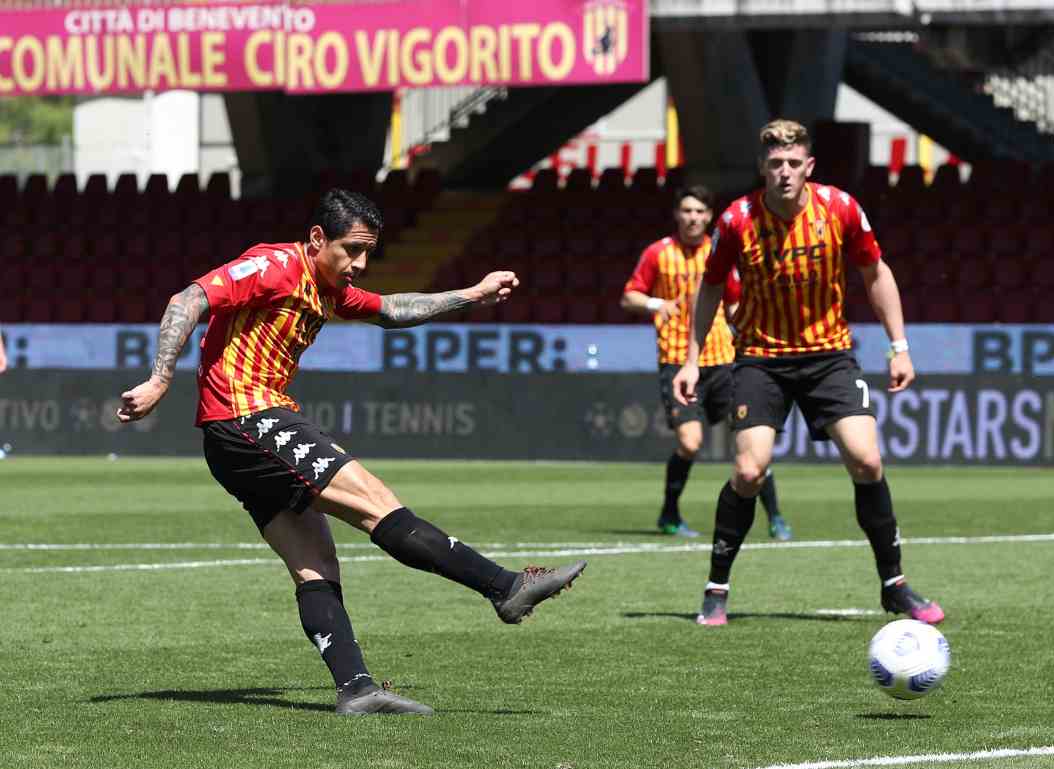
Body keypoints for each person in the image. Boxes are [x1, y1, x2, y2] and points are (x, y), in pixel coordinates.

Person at [116, 189, 586, 715]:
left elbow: (392, 310)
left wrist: (471, 294)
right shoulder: (273, 265)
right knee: (376, 503)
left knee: (315, 562)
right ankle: (505, 587)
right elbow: (188, 300)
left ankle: (356, 689)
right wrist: (161, 381)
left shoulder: (330, 289)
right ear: (318, 238)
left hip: (233, 439)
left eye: (368, 252)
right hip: (248, 417)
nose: (360, 263)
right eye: (351, 249)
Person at [674, 120, 944, 627]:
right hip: (760, 359)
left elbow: (875, 272)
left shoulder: (840, 209)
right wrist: (692, 358)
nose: (784, 172)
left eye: (793, 163)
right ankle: (716, 588)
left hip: (829, 356)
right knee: (750, 471)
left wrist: (899, 346)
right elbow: (710, 288)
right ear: (762, 168)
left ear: (809, 167)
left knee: (866, 460)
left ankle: (894, 585)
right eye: (775, 164)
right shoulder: (736, 220)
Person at [621, 186, 792, 540]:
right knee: (690, 443)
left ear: (709, 217)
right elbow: (629, 296)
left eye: (699, 212)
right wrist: (656, 305)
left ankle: (775, 517)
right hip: (678, 362)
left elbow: (732, 305)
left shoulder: (719, 254)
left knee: (750, 440)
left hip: (724, 361)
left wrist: (750, 332)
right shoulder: (658, 253)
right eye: (687, 211)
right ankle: (669, 515)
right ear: (677, 215)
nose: (693, 218)